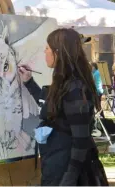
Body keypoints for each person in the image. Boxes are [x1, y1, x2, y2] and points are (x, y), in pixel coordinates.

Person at [18, 28, 108, 186]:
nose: (44, 52)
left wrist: (69, 178)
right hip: (57, 165)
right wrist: (29, 82)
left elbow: (81, 140)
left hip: (67, 171)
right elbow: (52, 105)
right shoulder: (65, 83)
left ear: (58, 52)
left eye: (47, 48)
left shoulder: (74, 88)